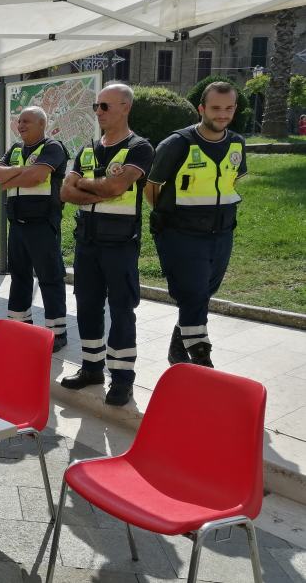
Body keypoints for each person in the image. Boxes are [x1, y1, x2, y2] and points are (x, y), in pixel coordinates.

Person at [59, 83, 154, 406]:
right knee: (87, 307)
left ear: (125, 107)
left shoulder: (140, 147)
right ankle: (91, 368)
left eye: (104, 106)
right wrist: (98, 188)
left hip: (120, 243)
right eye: (96, 106)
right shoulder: (87, 149)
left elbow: (116, 187)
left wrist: (84, 183)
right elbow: (64, 194)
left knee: (122, 311)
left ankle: (123, 379)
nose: (98, 112)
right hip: (87, 242)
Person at [145, 81, 246, 368]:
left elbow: (232, 181)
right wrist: (172, 216)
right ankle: (201, 359)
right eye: (215, 108)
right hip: (181, 234)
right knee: (193, 295)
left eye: (228, 108)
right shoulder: (177, 144)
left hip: (222, 233)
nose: (222, 114)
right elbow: (153, 189)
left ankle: (177, 349)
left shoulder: (237, 143)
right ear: (201, 108)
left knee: (203, 294)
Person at [0, 107, 68, 350]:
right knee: (19, 276)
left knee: (49, 277)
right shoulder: (15, 150)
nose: (20, 125)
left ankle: (57, 333)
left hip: (43, 224)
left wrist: (10, 178)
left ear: (42, 124)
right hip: (18, 225)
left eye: (26, 122)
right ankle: (20, 325)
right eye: (19, 121)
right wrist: (22, 171)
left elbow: (37, 177)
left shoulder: (53, 148)